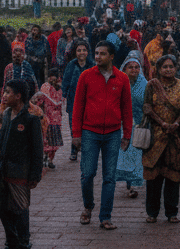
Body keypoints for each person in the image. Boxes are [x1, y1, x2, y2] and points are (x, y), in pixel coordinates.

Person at [71, 41, 133, 230]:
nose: (98, 57)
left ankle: (105, 216)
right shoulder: (86, 76)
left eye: (102, 54)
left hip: (113, 133)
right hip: (90, 131)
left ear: (112, 56)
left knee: (109, 177)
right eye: (96, 53)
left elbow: (126, 108)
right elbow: (78, 106)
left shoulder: (122, 78)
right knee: (87, 174)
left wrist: (127, 134)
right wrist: (76, 133)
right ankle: (88, 206)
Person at [0, 79, 43, 249]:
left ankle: (23, 241)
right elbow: (0, 138)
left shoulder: (31, 119)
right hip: (3, 169)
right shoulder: (7, 114)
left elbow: (38, 150)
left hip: (21, 171)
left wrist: (35, 175)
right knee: (2, 209)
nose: (4, 95)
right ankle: (11, 239)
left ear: (18, 96)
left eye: (8, 92)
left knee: (20, 208)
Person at [142, 54, 180, 223]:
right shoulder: (152, 85)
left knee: (173, 177)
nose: (168, 70)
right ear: (159, 69)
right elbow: (146, 107)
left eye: (171, 66)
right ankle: (152, 212)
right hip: (155, 137)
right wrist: (161, 122)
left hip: (174, 138)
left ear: (176, 68)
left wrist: (175, 123)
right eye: (165, 67)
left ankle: (171, 212)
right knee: (153, 178)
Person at [115, 51, 147, 200]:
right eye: (131, 67)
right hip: (121, 125)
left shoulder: (144, 84)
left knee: (136, 156)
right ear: (124, 69)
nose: (134, 70)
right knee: (124, 154)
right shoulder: (119, 83)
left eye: (136, 67)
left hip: (139, 126)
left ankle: (134, 184)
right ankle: (128, 182)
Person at [61, 42, 92, 162]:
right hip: (73, 102)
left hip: (89, 102)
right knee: (74, 127)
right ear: (75, 52)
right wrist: (61, 97)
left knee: (88, 127)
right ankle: (74, 150)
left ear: (87, 52)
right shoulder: (71, 65)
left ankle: (87, 150)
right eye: (79, 50)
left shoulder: (92, 65)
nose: (82, 53)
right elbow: (65, 82)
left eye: (84, 50)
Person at [31, 72, 64, 168]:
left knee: (52, 141)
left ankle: (49, 159)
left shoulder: (59, 90)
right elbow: (39, 101)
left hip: (55, 120)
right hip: (48, 119)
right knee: (47, 140)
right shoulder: (47, 89)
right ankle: (46, 158)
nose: (52, 80)